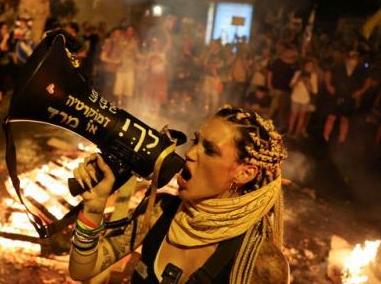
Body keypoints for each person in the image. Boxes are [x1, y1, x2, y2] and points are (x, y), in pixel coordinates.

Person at [69, 105, 289, 284]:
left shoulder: (259, 263)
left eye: (210, 150)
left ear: (245, 173)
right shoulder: (159, 210)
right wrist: (95, 205)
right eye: (196, 141)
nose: (191, 153)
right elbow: (82, 270)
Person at [322, 49, 372, 143]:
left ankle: (342, 138)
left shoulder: (361, 70)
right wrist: (328, 85)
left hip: (350, 97)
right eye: (352, 57)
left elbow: (368, 80)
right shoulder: (339, 66)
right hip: (336, 94)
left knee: (345, 119)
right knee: (331, 117)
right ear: (348, 58)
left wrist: (361, 91)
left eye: (356, 58)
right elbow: (328, 73)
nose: (354, 60)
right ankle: (326, 135)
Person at [288, 59, 318, 138]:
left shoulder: (313, 76)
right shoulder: (298, 73)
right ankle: (290, 131)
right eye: (308, 66)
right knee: (293, 115)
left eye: (311, 66)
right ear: (305, 66)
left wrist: (308, 83)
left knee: (302, 116)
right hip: (295, 97)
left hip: (305, 99)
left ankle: (297, 133)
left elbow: (314, 91)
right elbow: (291, 85)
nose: (309, 68)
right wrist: (298, 80)